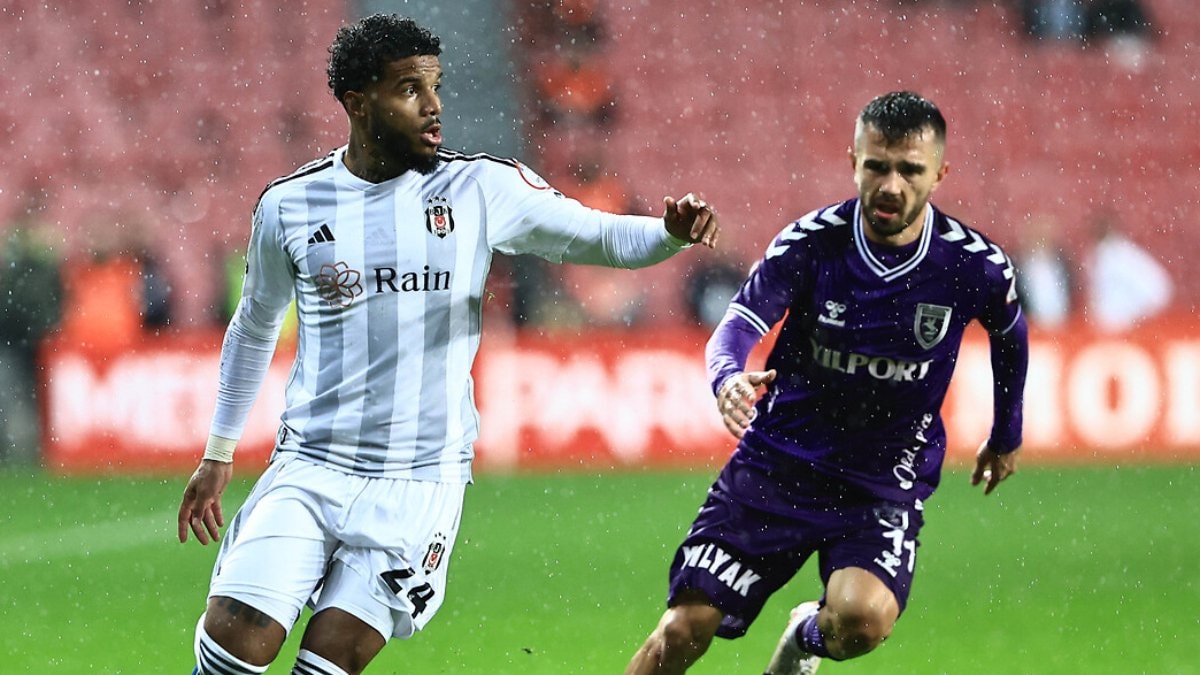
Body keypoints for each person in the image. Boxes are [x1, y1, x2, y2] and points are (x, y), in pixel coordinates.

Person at [175, 13, 719, 675]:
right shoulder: (291, 205)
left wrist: (667, 232)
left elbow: (598, 236)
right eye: (410, 89)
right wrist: (219, 451)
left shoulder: (479, 189)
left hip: (417, 483)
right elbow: (255, 325)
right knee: (235, 640)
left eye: (435, 86)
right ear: (357, 102)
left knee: (329, 659)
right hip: (311, 465)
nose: (433, 105)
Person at [625, 91, 1029, 675]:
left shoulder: (973, 264)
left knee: (861, 622)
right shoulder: (811, 243)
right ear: (853, 161)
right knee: (682, 630)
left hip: (881, 482)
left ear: (940, 174)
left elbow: (1010, 335)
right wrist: (727, 377)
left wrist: (1007, 433)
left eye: (910, 170)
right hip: (777, 466)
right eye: (877, 166)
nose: (891, 185)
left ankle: (801, 638)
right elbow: (736, 326)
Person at [1084, 212, 1172, 333]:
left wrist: (1135, 317)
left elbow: (1157, 289)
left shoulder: (1123, 256)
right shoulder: (1096, 254)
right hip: (1104, 329)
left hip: (1124, 328)